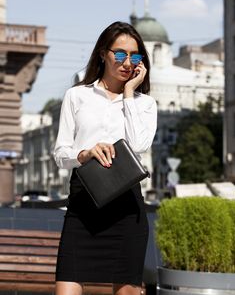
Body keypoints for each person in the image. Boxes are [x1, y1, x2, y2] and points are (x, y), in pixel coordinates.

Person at [53, 21, 157, 295]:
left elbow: (138, 145)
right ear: (103, 54)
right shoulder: (77, 96)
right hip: (83, 206)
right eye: (120, 54)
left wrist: (128, 94)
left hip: (126, 207)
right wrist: (84, 154)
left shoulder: (144, 103)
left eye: (135, 56)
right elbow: (60, 154)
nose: (127, 62)